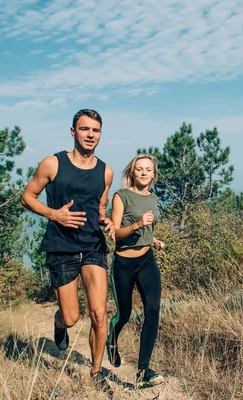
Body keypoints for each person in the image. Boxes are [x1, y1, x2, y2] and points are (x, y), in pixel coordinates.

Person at [21, 109, 115, 386]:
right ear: (73, 132)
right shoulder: (53, 164)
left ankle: (97, 372)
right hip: (61, 247)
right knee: (72, 317)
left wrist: (106, 220)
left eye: (95, 130)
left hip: (94, 246)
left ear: (100, 134)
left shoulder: (105, 171)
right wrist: (54, 214)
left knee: (99, 314)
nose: (90, 134)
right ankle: (59, 323)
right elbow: (28, 196)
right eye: (84, 129)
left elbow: (99, 207)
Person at [106, 154, 166, 388]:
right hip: (123, 263)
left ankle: (143, 371)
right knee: (124, 314)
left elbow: (147, 230)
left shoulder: (152, 198)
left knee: (153, 309)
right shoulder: (122, 196)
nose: (143, 172)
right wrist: (138, 225)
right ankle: (112, 339)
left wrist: (153, 240)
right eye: (139, 169)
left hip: (146, 261)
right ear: (131, 172)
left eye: (147, 170)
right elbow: (115, 235)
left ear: (153, 174)